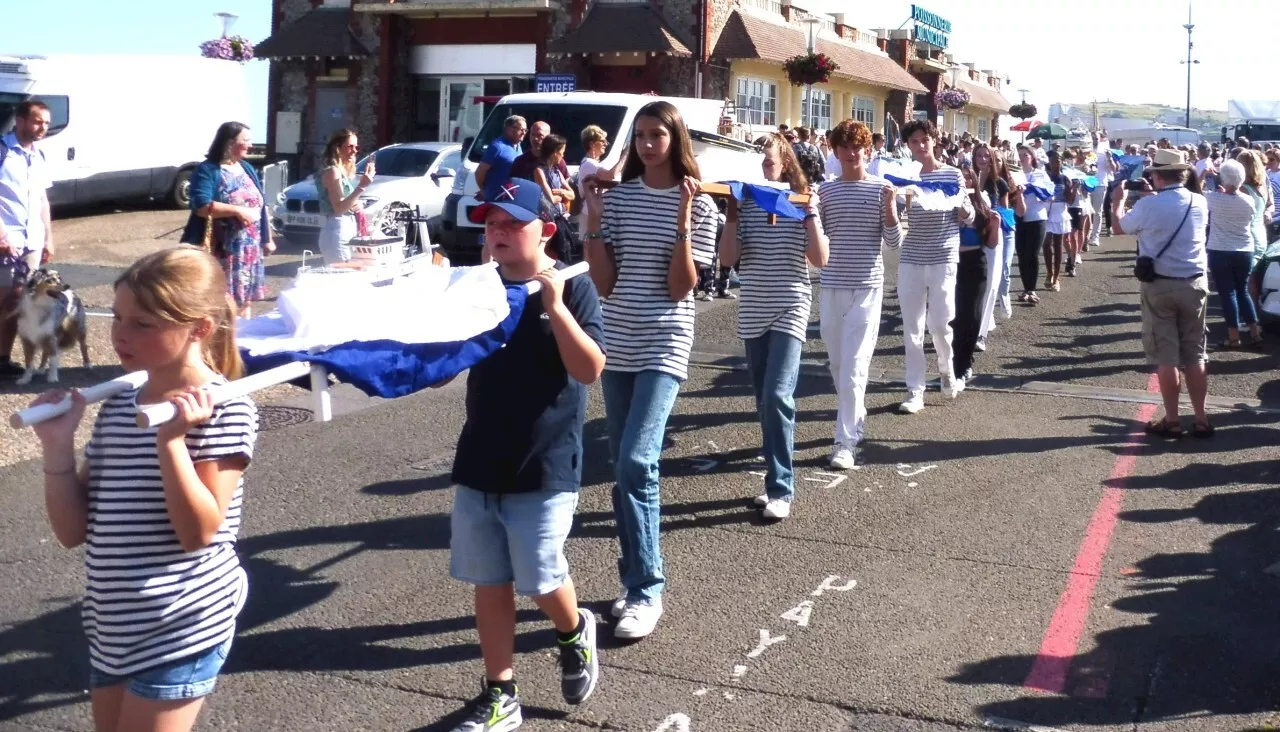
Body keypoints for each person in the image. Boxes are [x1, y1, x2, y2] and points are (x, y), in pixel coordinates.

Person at [28, 247, 256, 732]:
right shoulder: (118, 406)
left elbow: (198, 533)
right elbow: (72, 531)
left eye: (144, 324)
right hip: (113, 626)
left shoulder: (226, 409)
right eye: (117, 317)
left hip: (183, 624)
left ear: (199, 329)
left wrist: (170, 439)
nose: (121, 335)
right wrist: (58, 444)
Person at [444, 178, 606, 731]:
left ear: (548, 231)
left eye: (513, 222)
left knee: (538, 577)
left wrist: (555, 308)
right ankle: (501, 692)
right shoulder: (477, 287)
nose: (499, 231)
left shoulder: (573, 287)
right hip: (481, 456)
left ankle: (572, 629)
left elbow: (589, 369)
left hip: (545, 460)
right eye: (492, 223)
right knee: (489, 580)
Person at [580, 101, 718, 640]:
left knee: (638, 461)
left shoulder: (699, 203)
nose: (645, 144)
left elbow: (682, 287)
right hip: (618, 339)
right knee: (622, 465)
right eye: (638, 136)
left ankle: (647, 590)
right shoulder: (618, 200)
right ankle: (633, 577)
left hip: (665, 340)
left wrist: (682, 221)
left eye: (656, 134)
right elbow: (605, 283)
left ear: (675, 138)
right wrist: (593, 219)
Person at [717, 133, 828, 517]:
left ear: (785, 163)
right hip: (754, 306)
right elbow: (728, 260)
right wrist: (731, 215)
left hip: (791, 303)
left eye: (769, 162)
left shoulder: (802, 199)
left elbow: (819, 258)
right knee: (764, 400)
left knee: (779, 395)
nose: (764, 168)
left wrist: (812, 213)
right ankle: (772, 479)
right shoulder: (745, 202)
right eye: (759, 163)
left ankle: (782, 487)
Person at [1110, 149, 1213, 438]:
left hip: (1160, 284)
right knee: (1195, 354)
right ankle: (1202, 418)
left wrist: (1118, 202)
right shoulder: (1200, 202)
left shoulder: (1149, 206)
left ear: (1156, 175)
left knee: (1167, 356)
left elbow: (1119, 227)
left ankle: (1172, 419)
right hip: (1194, 282)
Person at [814, 119, 899, 467]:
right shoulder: (824, 192)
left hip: (866, 286)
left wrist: (891, 211)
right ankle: (856, 411)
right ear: (835, 151)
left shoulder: (882, 188)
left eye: (857, 147)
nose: (851, 153)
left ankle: (845, 441)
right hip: (831, 284)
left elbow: (893, 243)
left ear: (868, 150)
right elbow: (814, 241)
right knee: (837, 363)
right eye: (844, 147)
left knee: (854, 366)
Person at [897, 119, 973, 413]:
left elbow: (968, 216)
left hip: (943, 254)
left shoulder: (952, 174)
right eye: (914, 141)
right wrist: (896, 197)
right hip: (912, 256)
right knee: (912, 326)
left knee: (940, 324)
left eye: (924, 139)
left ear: (933, 140)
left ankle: (946, 368)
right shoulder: (908, 176)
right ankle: (914, 390)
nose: (920, 145)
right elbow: (896, 214)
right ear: (908, 146)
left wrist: (959, 202)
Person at [181, 122, 275, 318]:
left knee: (244, 304)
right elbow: (201, 206)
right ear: (230, 143)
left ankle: (240, 344)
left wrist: (267, 238)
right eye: (246, 141)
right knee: (222, 305)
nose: (251, 145)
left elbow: (261, 204)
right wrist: (237, 211)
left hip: (249, 250)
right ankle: (222, 343)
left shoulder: (246, 167)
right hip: (223, 250)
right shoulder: (209, 170)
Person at [0, 99, 54, 378]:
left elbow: (43, 199)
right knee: (3, 302)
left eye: (45, 122)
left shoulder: (39, 156)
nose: (42, 127)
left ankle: (3, 358)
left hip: (30, 242)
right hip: (5, 242)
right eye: (37, 121)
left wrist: (49, 237)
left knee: (16, 304)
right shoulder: (3, 151)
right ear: (20, 120)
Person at [1204, 159, 1262, 349]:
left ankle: (1233, 336)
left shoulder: (1214, 198)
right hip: (1245, 249)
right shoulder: (1248, 200)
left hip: (1220, 249)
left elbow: (1197, 192)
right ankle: (1255, 332)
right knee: (1243, 290)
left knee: (1227, 293)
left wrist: (1204, 174)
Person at [952, 167, 999, 382]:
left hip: (975, 263)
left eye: (969, 177)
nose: (966, 180)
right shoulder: (948, 202)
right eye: (962, 177)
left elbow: (991, 243)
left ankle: (965, 362)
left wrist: (995, 225)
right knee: (952, 317)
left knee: (971, 316)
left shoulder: (982, 205)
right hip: (951, 263)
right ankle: (953, 365)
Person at [312, 128, 375, 265]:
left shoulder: (340, 172)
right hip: (337, 232)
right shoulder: (333, 172)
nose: (355, 150)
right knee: (341, 279)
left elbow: (344, 203)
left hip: (345, 230)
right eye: (350, 146)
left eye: (356, 147)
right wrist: (362, 186)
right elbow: (339, 208)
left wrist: (356, 204)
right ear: (337, 148)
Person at [973, 143, 1011, 347]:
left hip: (993, 236)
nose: (982, 159)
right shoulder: (967, 180)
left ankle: (981, 334)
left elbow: (1007, 214)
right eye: (978, 155)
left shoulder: (1000, 184)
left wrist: (995, 218)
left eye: (986, 155)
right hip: (970, 236)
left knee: (992, 283)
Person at [1015, 145, 1047, 305]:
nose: (1021, 157)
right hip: (1019, 218)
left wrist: (1029, 188)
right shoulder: (1015, 174)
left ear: (1032, 157)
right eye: (1019, 155)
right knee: (1021, 254)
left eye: (1025, 155)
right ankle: (1025, 288)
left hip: (1037, 218)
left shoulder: (1040, 174)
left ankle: (1032, 289)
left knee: (1032, 254)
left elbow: (1048, 194)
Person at [1043, 150, 1077, 289]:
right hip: (1047, 212)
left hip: (1060, 212)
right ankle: (1049, 273)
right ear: (1049, 163)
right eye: (1053, 161)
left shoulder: (1065, 179)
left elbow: (1069, 201)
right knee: (1046, 244)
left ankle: (1056, 278)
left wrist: (1074, 189)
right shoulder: (1045, 178)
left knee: (1057, 245)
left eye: (1058, 160)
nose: (1056, 163)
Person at [474, 115, 528, 202]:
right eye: (521, 129)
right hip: (496, 200)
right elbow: (479, 172)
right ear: (509, 129)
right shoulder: (497, 147)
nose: (524, 132)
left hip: (513, 199)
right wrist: (484, 191)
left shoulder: (518, 146)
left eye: (525, 130)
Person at [1237, 149, 1274, 267]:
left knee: (1244, 282)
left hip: (1247, 240)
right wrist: (1268, 212)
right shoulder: (1263, 185)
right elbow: (1270, 204)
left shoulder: (1242, 189)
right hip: (1260, 236)